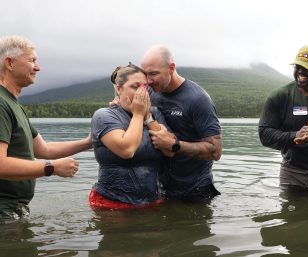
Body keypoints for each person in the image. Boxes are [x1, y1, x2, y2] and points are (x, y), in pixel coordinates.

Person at [0, 36, 92, 221]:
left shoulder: (13, 104)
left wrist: (90, 142)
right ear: (9, 63)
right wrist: (52, 168)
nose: (38, 67)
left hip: (13, 212)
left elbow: (44, 149)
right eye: (32, 60)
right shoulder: (1, 103)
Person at [140, 45, 222, 202]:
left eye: (154, 74)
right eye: (145, 74)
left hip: (195, 189)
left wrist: (175, 145)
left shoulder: (198, 99)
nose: (148, 80)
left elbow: (215, 151)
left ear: (171, 68)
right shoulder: (149, 92)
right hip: (161, 188)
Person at [89, 63, 171, 209]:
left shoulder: (155, 114)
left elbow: (170, 150)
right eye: (135, 87)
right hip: (112, 203)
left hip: (152, 201)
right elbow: (127, 150)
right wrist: (138, 114)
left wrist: (148, 117)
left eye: (145, 87)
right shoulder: (104, 116)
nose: (142, 93)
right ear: (118, 89)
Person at [259, 44, 308, 191]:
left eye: (306, 68)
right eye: (297, 66)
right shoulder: (279, 96)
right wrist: (295, 136)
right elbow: (264, 134)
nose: (300, 70)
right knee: (288, 213)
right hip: (291, 172)